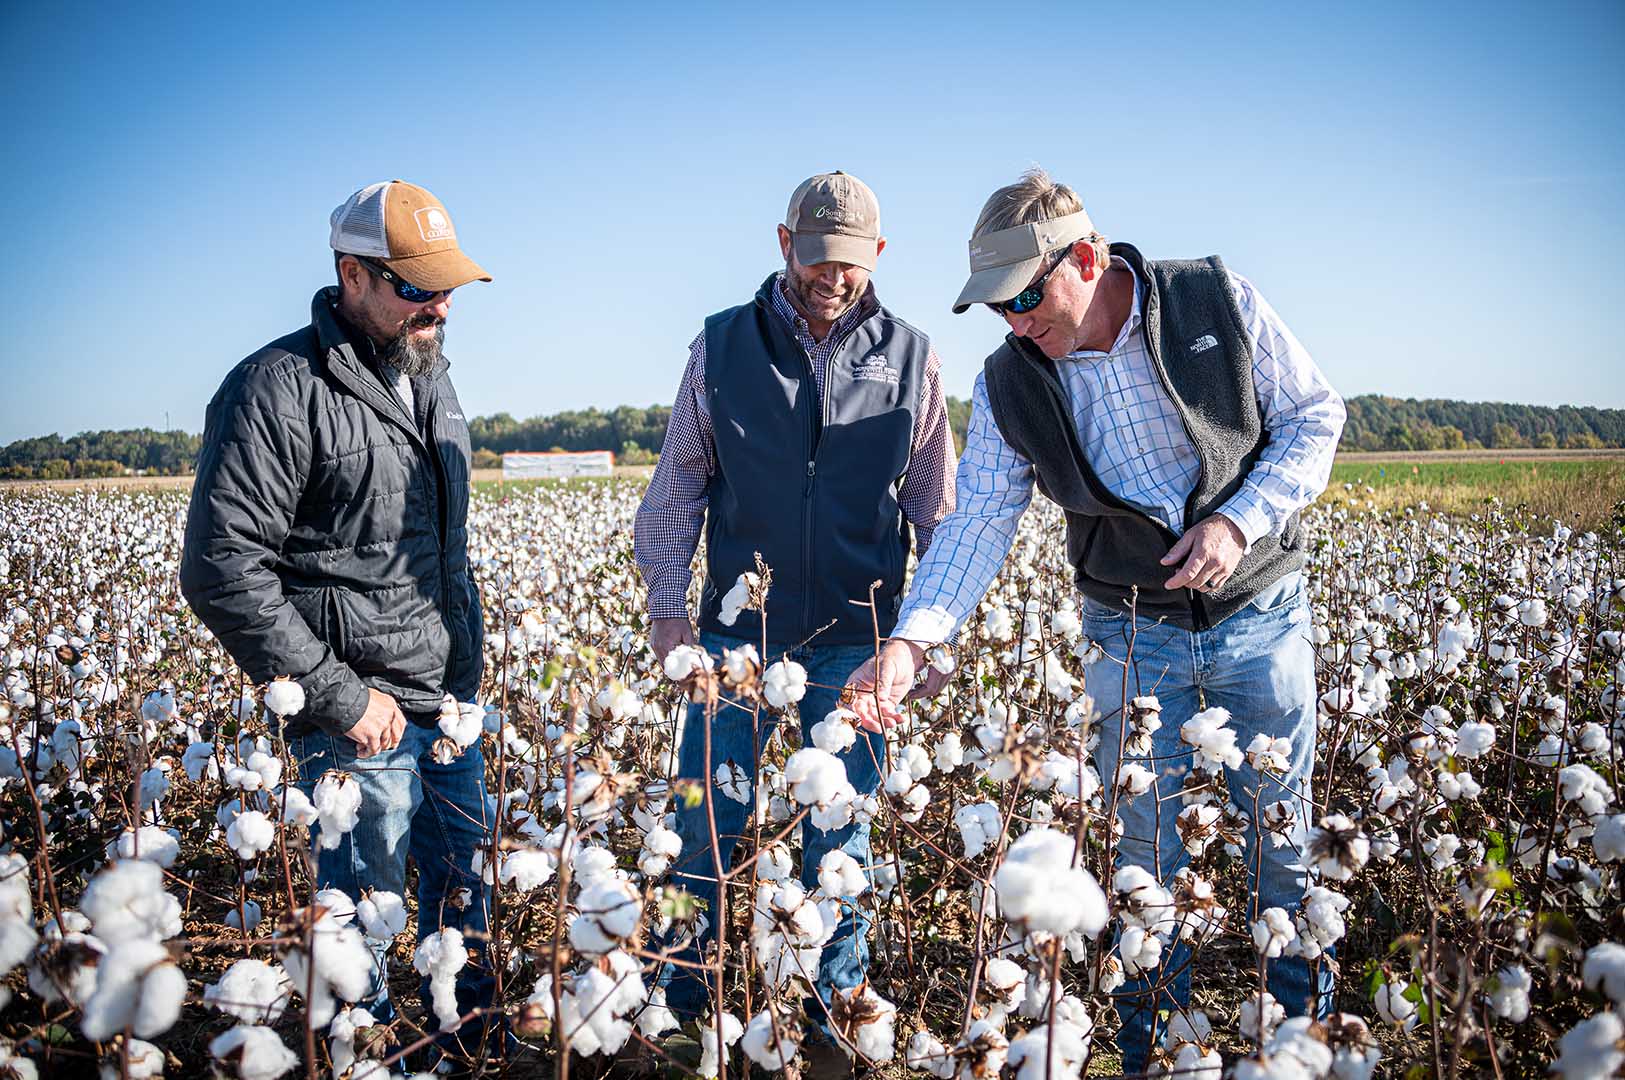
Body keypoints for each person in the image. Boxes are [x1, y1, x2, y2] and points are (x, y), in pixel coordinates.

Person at [844, 168, 1346, 1072]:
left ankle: (1306, 1047)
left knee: (1284, 843)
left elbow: (1314, 417)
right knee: (1143, 856)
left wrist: (1237, 520)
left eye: (1025, 296)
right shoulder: (1009, 382)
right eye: (997, 309)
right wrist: (910, 643)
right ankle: (1159, 1052)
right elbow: (979, 522)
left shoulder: (1213, 297)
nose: (1015, 321)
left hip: (1260, 613)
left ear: (1084, 256)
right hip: (1128, 630)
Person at [634, 171, 957, 1051]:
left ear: (876, 257)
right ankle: (675, 1003)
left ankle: (831, 1019)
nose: (832, 277)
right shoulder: (719, 349)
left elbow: (938, 517)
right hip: (734, 642)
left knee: (837, 841)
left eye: (849, 262)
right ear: (784, 245)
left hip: (857, 643)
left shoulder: (913, 358)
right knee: (701, 821)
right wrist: (671, 618)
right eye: (816, 258)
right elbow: (675, 494)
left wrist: (919, 646)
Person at [179, 181, 497, 1066]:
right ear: (351, 275)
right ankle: (373, 1056)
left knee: (463, 900)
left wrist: (463, 670)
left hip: (446, 707)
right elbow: (220, 565)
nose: (437, 305)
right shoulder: (277, 387)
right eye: (414, 286)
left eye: (445, 287)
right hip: (358, 721)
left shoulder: (428, 377)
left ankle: (461, 1049)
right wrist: (336, 695)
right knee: (361, 936)